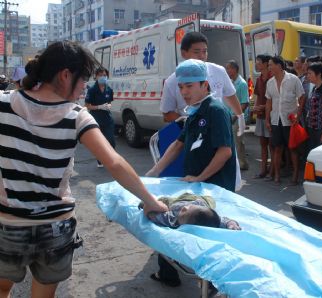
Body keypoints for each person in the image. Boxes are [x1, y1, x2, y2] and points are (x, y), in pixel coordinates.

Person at [0, 41, 167, 298]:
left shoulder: (2, 104)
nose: (83, 89)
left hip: (8, 223)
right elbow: (114, 162)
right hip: (54, 228)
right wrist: (151, 201)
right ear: (65, 74)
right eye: (83, 80)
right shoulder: (77, 116)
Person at [145, 59, 237, 288]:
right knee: (177, 226)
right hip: (195, 184)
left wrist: (200, 177)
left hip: (214, 187)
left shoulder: (216, 110)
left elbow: (224, 152)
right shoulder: (194, 113)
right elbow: (177, 145)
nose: (184, 92)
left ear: (205, 85)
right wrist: (154, 172)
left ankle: (214, 285)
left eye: (190, 86)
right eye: (181, 87)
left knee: (209, 238)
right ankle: (168, 272)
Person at [159, 32, 245, 137]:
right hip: (192, 134)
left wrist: (240, 116)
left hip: (219, 128)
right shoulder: (172, 81)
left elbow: (230, 95)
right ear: (183, 53)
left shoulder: (218, 71)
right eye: (197, 52)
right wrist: (190, 122)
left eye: (205, 51)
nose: (202, 56)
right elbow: (167, 114)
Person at [265, 56, 304, 185]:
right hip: (276, 120)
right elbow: (269, 102)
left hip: (290, 120)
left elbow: (302, 97)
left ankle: (295, 176)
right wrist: (267, 120)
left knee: (293, 149)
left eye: (271, 65)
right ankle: (276, 175)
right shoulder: (270, 82)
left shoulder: (293, 80)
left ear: (279, 66)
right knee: (277, 148)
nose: (269, 67)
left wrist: (298, 115)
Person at [85, 67, 115, 167]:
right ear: (96, 76)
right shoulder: (92, 90)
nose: (103, 77)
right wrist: (99, 107)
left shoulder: (109, 90)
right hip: (96, 119)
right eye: (100, 75)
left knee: (111, 140)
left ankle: (110, 159)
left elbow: (109, 102)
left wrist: (108, 106)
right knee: (99, 142)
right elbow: (87, 105)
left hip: (107, 119)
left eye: (105, 75)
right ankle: (100, 160)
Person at [252, 54, 274, 179]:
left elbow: (274, 99)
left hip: (270, 115)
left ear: (266, 64)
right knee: (262, 143)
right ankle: (263, 169)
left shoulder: (272, 78)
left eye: (259, 62)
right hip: (260, 115)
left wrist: (264, 107)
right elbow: (257, 96)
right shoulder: (259, 79)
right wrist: (256, 107)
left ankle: (272, 170)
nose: (257, 64)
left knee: (272, 144)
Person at [225, 60, 249, 171]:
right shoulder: (230, 82)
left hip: (237, 117)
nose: (227, 70)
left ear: (234, 69)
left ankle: (242, 163)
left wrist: (236, 115)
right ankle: (234, 163)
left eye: (229, 68)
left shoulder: (242, 83)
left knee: (238, 142)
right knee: (231, 142)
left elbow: (245, 102)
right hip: (229, 116)